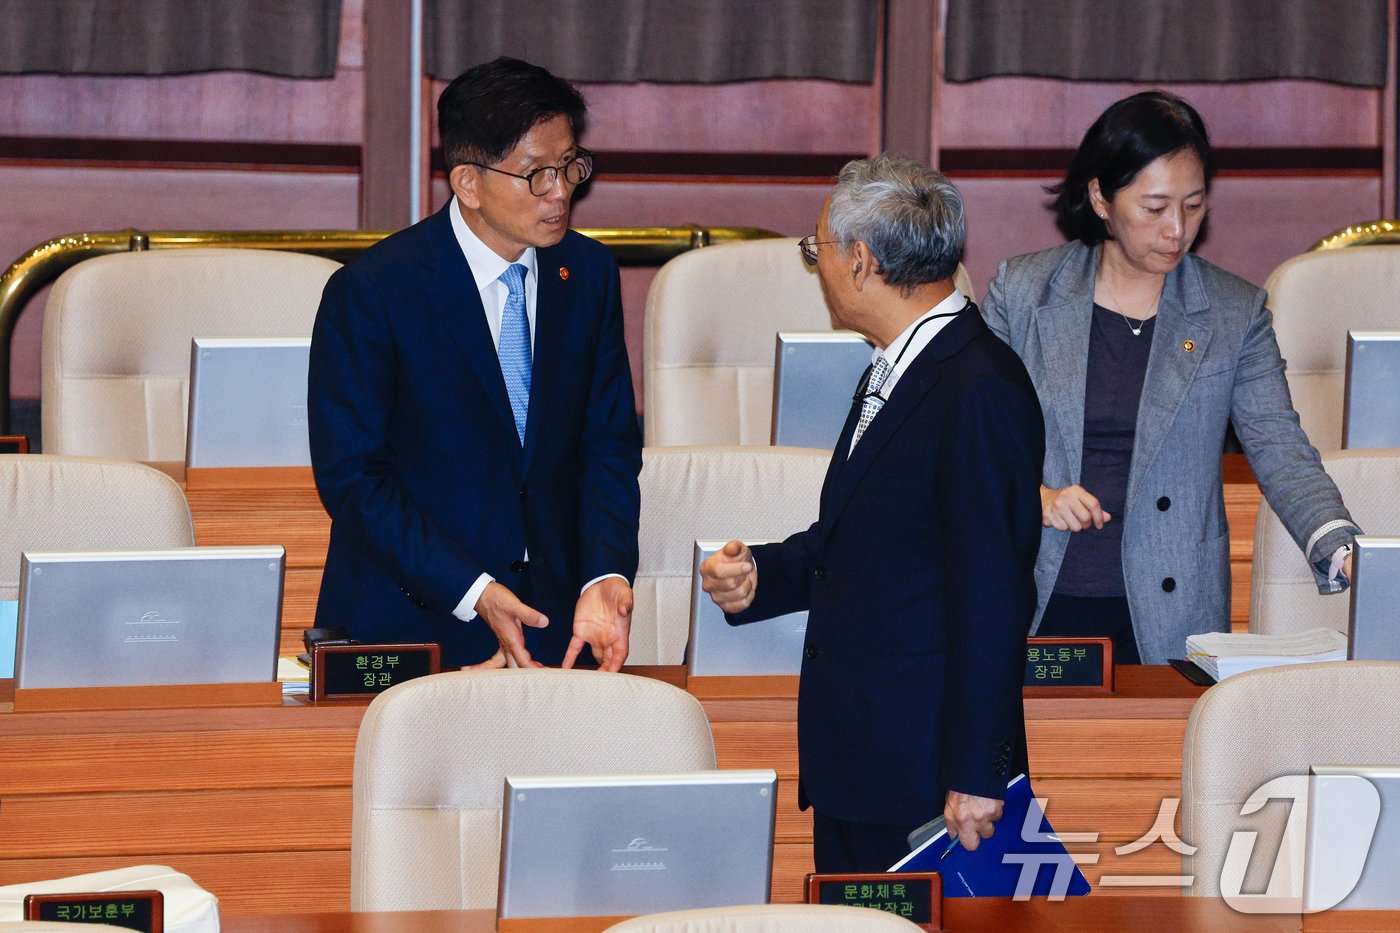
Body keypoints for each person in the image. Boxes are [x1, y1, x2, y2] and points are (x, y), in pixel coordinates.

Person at [700, 156, 1044, 873]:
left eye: (817, 250)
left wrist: (980, 772)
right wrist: (762, 574)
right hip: (866, 759)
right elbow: (869, 539)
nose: (817, 266)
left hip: (929, 779)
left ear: (860, 261)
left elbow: (994, 594)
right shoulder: (899, 365)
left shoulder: (978, 387)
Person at [981, 91, 1359, 666]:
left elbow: (1280, 447)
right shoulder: (1023, 293)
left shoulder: (1233, 313)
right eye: (1155, 208)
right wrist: (1036, 497)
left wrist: (1343, 545)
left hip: (1173, 606)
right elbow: (972, 438)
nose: (1177, 230)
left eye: (1194, 205)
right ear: (1100, 198)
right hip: (1034, 589)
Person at [308, 57, 641, 671]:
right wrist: (474, 591)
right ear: (467, 182)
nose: (560, 191)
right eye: (536, 174)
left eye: (570, 165)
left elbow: (608, 446)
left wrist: (604, 573)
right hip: (415, 623)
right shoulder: (375, 292)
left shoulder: (587, 274)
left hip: (554, 627)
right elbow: (354, 479)